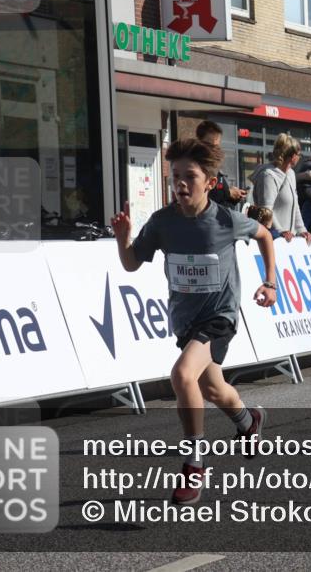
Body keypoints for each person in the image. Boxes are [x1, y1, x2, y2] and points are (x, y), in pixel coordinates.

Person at [110, 138, 276, 506]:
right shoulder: (162, 222)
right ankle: (248, 421)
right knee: (213, 389)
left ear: (211, 182)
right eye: (175, 177)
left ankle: (194, 463)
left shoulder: (225, 220)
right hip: (185, 321)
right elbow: (132, 263)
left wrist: (270, 282)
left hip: (219, 316)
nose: (180, 184)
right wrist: (123, 240)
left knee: (182, 375)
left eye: (190, 177)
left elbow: (265, 235)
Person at [250, 133, 311, 244]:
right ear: (293, 156)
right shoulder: (268, 176)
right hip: (272, 240)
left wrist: (301, 230)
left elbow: (295, 206)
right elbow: (266, 210)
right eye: (299, 154)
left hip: (287, 240)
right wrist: (280, 231)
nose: (300, 157)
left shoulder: (291, 174)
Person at [195, 120, 246, 209]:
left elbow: (219, 197)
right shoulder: (196, 165)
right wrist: (228, 193)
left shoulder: (213, 164)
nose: (214, 149)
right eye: (210, 144)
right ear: (199, 142)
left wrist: (234, 197)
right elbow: (202, 196)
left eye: (217, 145)